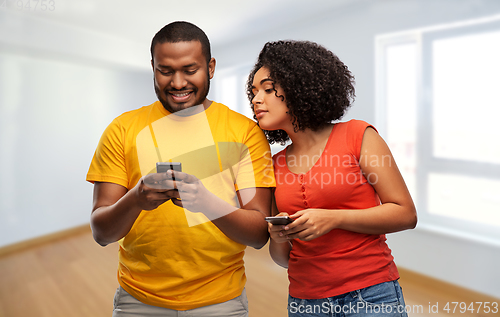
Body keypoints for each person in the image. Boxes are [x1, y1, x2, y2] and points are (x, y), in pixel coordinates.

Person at [86, 21, 275, 317]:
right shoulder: (122, 129)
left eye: (190, 70)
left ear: (210, 67)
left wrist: (204, 202)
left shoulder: (245, 133)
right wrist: (136, 199)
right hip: (137, 301)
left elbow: (259, 234)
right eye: (165, 70)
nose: (177, 83)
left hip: (221, 302)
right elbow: (101, 232)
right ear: (152, 66)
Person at [247, 40, 417, 317]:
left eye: (267, 89)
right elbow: (283, 259)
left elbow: (406, 214)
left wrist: (334, 218)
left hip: (370, 294)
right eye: (254, 92)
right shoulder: (274, 165)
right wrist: (279, 237)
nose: (256, 99)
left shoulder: (358, 136)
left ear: (299, 86)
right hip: (305, 301)